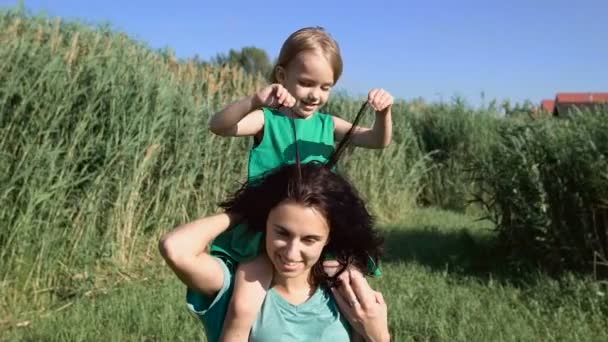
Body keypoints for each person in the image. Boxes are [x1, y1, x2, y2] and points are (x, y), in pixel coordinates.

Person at [207, 26, 394, 341]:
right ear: (282, 74)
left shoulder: (327, 124)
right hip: (265, 230)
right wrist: (254, 100)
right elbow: (220, 126)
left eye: (325, 87)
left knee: (352, 286)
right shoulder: (268, 120)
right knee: (243, 302)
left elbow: (377, 140)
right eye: (306, 83)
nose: (315, 95)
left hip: (315, 230)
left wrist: (384, 113)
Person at [159, 162, 390, 342]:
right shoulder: (237, 285)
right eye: (282, 233)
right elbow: (175, 248)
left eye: (309, 239)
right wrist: (244, 211)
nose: (291, 252)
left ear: (329, 238)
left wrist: (378, 335)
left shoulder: (346, 291)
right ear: (265, 222)